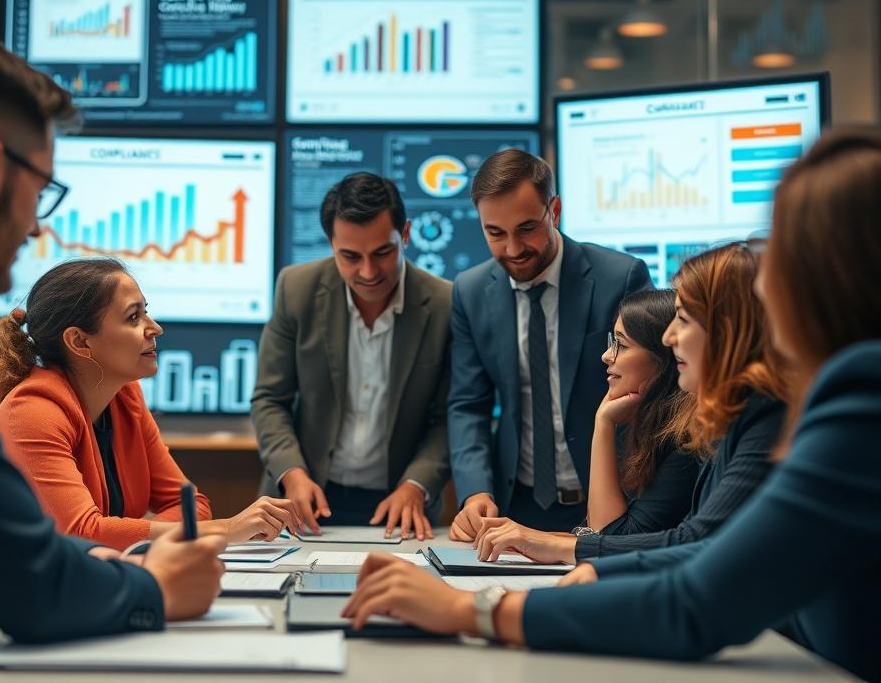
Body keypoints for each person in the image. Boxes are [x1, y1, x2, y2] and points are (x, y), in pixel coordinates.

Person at [342, 127, 881, 683]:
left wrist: (473, 610)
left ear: (822, 280)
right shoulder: (788, 407)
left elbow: (698, 593)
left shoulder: (853, 404)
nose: (667, 340)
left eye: (778, 258)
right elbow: (706, 548)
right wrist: (591, 562)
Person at [0, 23, 225, 663]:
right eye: (42, 190)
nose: (34, 224)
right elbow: (16, 574)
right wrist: (151, 585)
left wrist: (119, 555)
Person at [474, 242, 786, 565]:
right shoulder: (716, 418)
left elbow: (692, 541)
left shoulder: (754, 416)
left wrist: (560, 547)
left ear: (727, 331)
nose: (670, 338)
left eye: (683, 319)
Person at [0, 258, 308, 551]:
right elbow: (80, 532)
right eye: (134, 317)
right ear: (80, 342)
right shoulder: (31, 412)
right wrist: (224, 530)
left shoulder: (126, 396)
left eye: (146, 311)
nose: (155, 328)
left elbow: (191, 505)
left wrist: (127, 534)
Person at [447, 148, 653, 539]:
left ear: (554, 211)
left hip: (612, 503)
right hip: (514, 508)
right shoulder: (471, 292)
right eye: (495, 233)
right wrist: (475, 491)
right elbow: (467, 404)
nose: (512, 249)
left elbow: (650, 396)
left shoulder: (620, 279)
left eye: (526, 228)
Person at [252, 172, 451, 540]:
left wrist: (416, 484)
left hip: (401, 506)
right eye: (350, 256)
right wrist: (292, 473)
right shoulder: (296, 290)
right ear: (331, 245)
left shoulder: (445, 304)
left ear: (405, 234)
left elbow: (449, 418)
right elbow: (269, 400)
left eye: (382, 253)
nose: (368, 272)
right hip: (303, 498)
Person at [580, 289, 697, 534]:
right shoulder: (649, 422)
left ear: (664, 357)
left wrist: (602, 424)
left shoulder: (688, 442)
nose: (606, 356)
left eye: (620, 345)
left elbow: (608, 535)